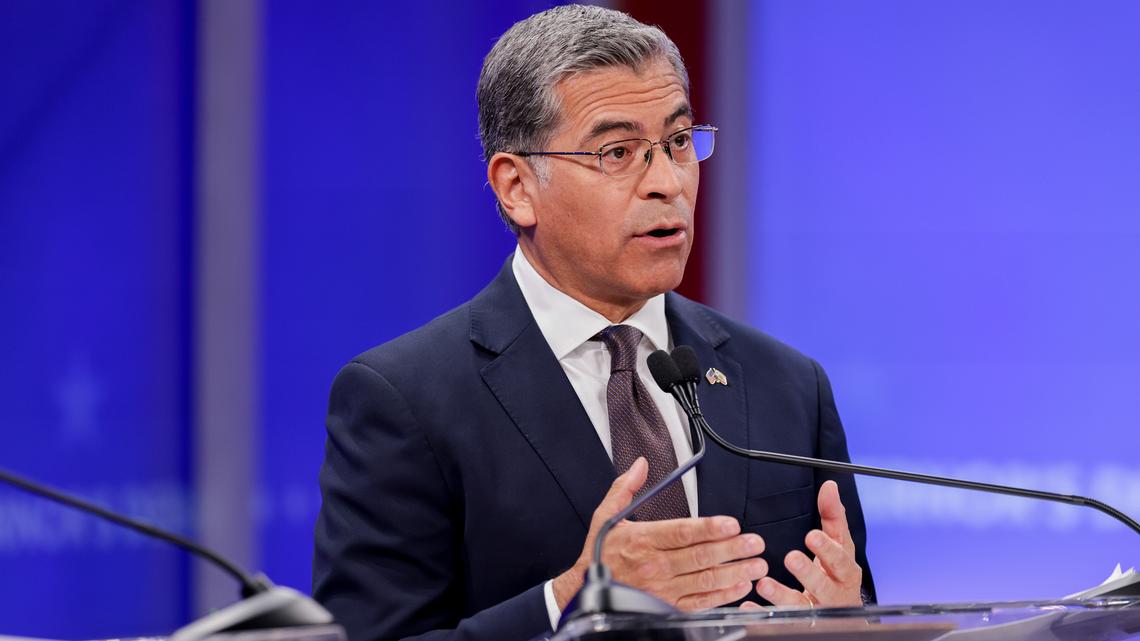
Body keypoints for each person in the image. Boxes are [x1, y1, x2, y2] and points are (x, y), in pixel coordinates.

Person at [313, 6, 874, 641]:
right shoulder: (404, 400)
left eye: (679, 141)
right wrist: (572, 597)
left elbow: (854, 605)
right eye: (617, 151)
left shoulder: (788, 386)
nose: (667, 182)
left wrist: (846, 621)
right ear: (517, 186)